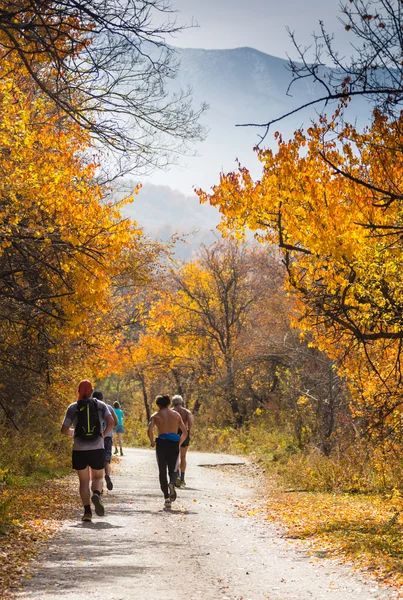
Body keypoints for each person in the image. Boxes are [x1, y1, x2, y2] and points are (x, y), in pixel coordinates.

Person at [61, 380, 114, 522]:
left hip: (79, 449)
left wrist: (75, 433)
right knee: (97, 477)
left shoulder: (73, 407)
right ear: (91, 391)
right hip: (97, 447)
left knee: (83, 481)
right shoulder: (101, 405)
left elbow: (64, 430)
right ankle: (96, 493)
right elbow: (111, 422)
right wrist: (102, 434)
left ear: (79, 391)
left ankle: (87, 512)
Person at [148, 394, 187, 509]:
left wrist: (152, 441)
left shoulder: (155, 416)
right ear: (169, 404)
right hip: (174, 443)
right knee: (173, 468)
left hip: (161, 443)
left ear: (158, 404)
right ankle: (172, 482)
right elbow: (185, 431)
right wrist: (179, 442)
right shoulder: (176, 415)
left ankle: (166, 498)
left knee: (162, 470)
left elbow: (149, 430)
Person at [93, 391, 118, 491]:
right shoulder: (109, 407)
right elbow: (115, 422)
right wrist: (108, 428)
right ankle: (107, 475)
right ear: (102, 398)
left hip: (96, 437)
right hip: (107, 436)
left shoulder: (92, 408)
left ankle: (100, 487)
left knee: (97, 462)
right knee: (106, 460)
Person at [172, 394, 193, 487]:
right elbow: (191, 423)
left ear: (173, 402)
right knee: (183, 456)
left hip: (174, 433)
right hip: (185, 432)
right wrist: (189, 432)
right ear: (181, 402)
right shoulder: (187, 412)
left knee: (174, 455)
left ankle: (176, 476)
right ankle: (183, 479)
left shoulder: (171, 411)